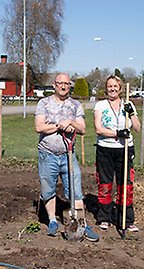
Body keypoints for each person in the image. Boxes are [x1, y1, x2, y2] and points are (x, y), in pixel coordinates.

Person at [34, 73, 99, 242]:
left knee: (76, 191)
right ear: (54, 85)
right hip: (47, 154)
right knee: (48, 189)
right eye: (60, 83)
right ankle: (53, 221)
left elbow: (83, 129)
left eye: (66, 84)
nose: (63, 86)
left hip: (68, 155)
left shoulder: (75, 105)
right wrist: (58, 126)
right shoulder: (44, 103)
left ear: (70, 86)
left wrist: (71, 122)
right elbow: (39, 127)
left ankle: (81, 224)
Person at [93, 75, 141, 232]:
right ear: (106, 88)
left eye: (115, 86)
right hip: (105, 150)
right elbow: (98, 129)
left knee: (125, 185)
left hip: (125, 149)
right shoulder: (100, 105)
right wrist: (117, 133)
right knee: (105, 184)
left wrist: (131, 113)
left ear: (120, 89)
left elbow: (137, 128)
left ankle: (126, 220)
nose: (112, 89)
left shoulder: (128, 104)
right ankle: (104, 218)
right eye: (110, 86)